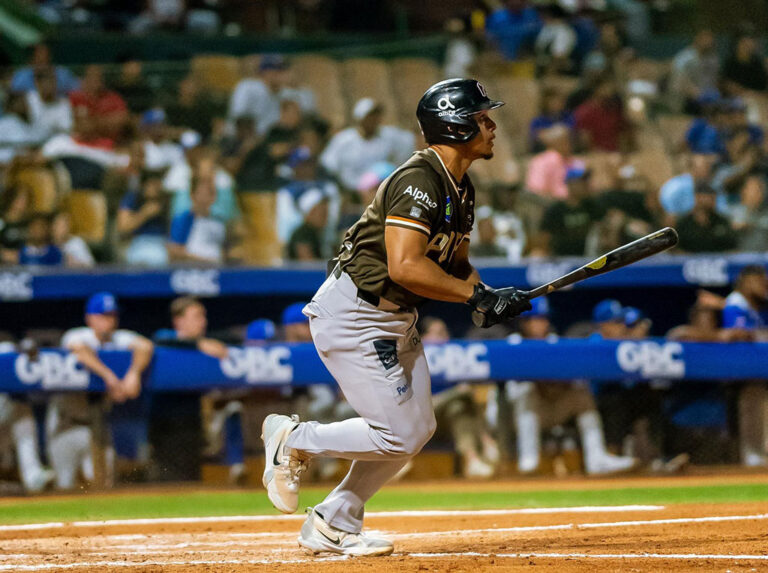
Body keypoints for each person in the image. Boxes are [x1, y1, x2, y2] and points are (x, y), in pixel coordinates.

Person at [260, 78, 531, 556]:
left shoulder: (462, 188)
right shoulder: (419, 180)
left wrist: (488, 295)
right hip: (355, 312)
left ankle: (332, 520)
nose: (491, 126)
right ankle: (293, 437)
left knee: (416, 429)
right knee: (397, 432)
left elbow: (456, 265)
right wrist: (474, 298)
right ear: (455, 124)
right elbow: (406, 265)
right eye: (482, 118)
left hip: (392, 317)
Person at [491, 297, 636, 475]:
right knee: (526, 392)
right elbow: (511, 392)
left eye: (544, 319)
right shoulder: (513, 343)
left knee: (581, 393)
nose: (542, 324)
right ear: (524, 322)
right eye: (537, 319)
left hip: (550, 408)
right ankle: (529, 460)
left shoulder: (554, 341)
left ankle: (596, 458)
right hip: (516, 415)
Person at [51, 292, 154, 489]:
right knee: (62, 486)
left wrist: (133, 374)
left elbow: (145, 346)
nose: (109, 321)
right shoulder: (78, 335)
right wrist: (109, 376)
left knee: (103, 484)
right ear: (90, 318)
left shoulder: (119, 338)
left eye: (112, 315)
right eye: (103, 315)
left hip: (98, 428)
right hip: (66, 426)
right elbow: (80, 350)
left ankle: (98, 520)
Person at [421, 317, 499, 479]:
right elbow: (421, 406)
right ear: (423, 337)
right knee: (463, 393)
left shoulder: (452, 357)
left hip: (449, 420)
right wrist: (458, 392)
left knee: (459, 408)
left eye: (444, 333)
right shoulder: (414, 358)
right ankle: (485, 440)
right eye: (437, 333)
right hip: (421, 420)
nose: (443, 338)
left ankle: (473, 459)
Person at [721, 265, 768, 467]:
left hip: (753, 369)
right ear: (747, 281)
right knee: (751, 399)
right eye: (760, 280)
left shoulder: (752, 306)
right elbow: (739, 333)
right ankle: (751, 453)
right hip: (736, 368)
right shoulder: (736, 303)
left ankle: (757, 451)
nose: (764, 285)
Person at [320, 98, 415, 192]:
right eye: (370, 116)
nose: (374, 120)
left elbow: (409, 144)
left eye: (376, 116)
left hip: (382, 191)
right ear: (360, 119)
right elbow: (328, 164)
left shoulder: (388, 136)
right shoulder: (343, 140)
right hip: (352, 191)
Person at [228, 54, 316, 137]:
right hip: (240, 138)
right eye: (276, 69)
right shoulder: (248, 87)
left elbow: (306, 115)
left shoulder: (287, 93)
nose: (281, 74)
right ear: (265, 72)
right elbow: (239, 118)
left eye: (283, 69)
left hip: (273, 140)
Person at [535, 166, 604, 256]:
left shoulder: (591, 206)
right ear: (570, 185)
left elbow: (602, 229)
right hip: (561, 258)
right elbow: (544, 237)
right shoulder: (556, 209)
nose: (586, 185)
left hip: (587, 257)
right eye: (582, 182)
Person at [167, 174, 228, 264]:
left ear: (214, 197)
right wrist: (205, 261)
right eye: (201, 193)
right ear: (192, 195)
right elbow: (174, 252)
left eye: (208, 193)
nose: (204, 197)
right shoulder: (183, 219)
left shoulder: (219, 222)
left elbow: (223, 249)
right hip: (191, 268)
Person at [118, 173, 171, 267]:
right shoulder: (132, 198)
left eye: (157, 184)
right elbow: (123, 227)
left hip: (161, 243)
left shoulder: (167, 200)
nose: (155, 188)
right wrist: (144, 214)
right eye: (152, 184)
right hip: (137, 242)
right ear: (144, 185)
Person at [69, 65, 129, 144]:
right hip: (80, 146)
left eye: (98, 77)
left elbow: (121, 122)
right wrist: (106, 121)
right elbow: (81, 128)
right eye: (91, 77)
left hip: (108, 146)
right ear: (84, 80)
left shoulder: (114, 98)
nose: (96, 80)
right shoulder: (75, 97)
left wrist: (91, 120)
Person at [675, 183, 737, 253]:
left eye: (713, 198)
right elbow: (676, 249)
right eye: (707, 197)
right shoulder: (684, 223)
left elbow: (733, 248)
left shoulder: (722, 221)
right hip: (687, 261)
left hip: (719, 260)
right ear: (697, 198)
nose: (711, 201)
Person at [668, 29, 720, 114]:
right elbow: (678, 80)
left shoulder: (712, 58)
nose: (708, 42)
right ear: (698, 39)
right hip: (685, 99)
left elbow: (714, 80)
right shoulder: (685, 57)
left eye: (710, 40)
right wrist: (696, 93)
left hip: (707, 97)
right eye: (705, 39)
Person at [524, 123, 578, 200]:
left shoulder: (574, 161)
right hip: (552, 204)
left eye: (568, 141)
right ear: (551, 144)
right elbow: (536, 190)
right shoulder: (541, 162)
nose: (568, 145)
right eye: (563, 142)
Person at [26, 68, 73, 137]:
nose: (49, 85)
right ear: (37, 83)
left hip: (54, 143)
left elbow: (67, 130)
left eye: (52, 81)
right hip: (30, 141)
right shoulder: (29, 99)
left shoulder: (65, 105)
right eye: (45, 81)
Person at [286, 189, 330, 261]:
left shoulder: (319, 233)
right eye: (322, 213)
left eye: (326, 213)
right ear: (310, 213)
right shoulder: (302, 233)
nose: (326, 217)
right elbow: (307, 263)